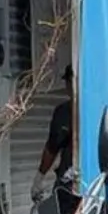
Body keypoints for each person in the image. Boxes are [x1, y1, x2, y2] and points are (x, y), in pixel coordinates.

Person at [31, 64, 74, 203]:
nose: (68, 87)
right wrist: (40, 177)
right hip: (68, 182)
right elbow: (52, 147)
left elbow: (51, 149)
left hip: (83, 184)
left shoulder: (91, 110)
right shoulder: (63, 113)